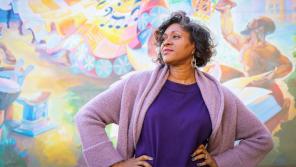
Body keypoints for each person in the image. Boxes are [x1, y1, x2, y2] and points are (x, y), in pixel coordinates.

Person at [75, 11, 273, 167]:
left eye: (176, 36)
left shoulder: (219, 96)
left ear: (194, 46)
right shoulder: (137, 84)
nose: (166, 42)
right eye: (164, 38)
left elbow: (261, 139)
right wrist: (114, 163)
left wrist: (219, 162)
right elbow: (87, 116)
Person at [216, 0, 293, 108]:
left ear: (261, 29)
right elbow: (228, 33)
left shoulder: (269, 49)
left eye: (256, 21)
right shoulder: (245, 44)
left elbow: (288, 65)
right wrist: (225, 12)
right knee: (217, 70)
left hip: (264, 88)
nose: (251, 21)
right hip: (247, 82)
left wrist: (273, 75)